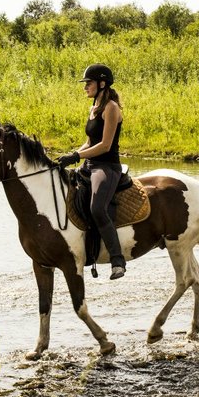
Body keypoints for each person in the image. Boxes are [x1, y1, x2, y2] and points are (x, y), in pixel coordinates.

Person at [58, 63, 126, 279]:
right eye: (85, 83)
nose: (85, 87)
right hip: (89, 165)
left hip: (107, 167)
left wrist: (77, 156)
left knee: (98, 208)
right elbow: (89, 141)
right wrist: (71, 155)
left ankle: (117, 260)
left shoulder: (112, 108)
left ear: (102, 83)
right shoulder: (94, 107)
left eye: (89, 83)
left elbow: (105, 145)